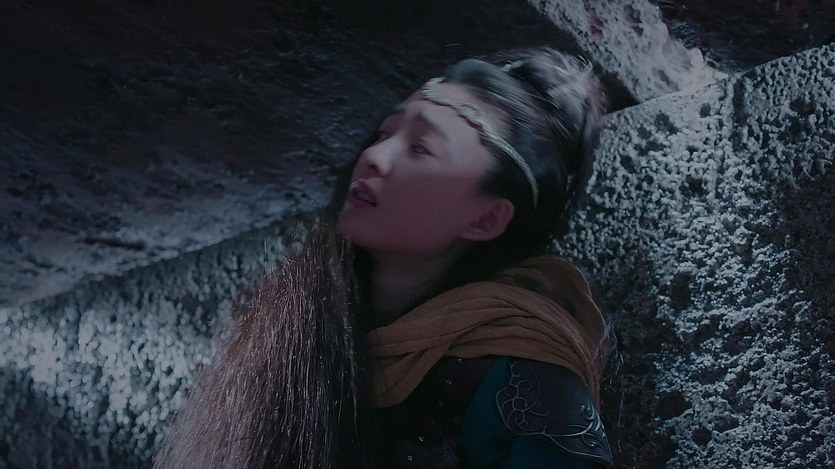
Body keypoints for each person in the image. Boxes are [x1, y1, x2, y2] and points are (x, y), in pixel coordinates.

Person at [154, 47, 612, 469]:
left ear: (486, 218)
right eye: (384, 133)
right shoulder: (300, 329)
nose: (374, 156)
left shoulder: (522, 375)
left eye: (421, 148)